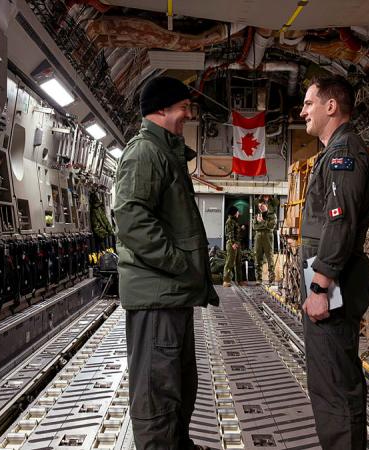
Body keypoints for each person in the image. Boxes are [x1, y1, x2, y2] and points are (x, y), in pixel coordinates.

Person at [113, 76, 219, 450]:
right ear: (161, 110)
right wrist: (179, 264)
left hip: (171, 295)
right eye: (183, 108)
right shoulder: (145, 153)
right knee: (157, 396)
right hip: (159, 294)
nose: (188, 115)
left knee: (177, 387)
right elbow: (130, 218)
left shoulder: (164, 152)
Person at [298, 75, 369, 449]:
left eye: (309, 104)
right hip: (330, 283)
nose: (303, 112)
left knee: (336, 387)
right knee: (328, 383)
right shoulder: (334, 152)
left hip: (334, 288)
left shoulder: (345, 154)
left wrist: (319, 286)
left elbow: (339, 222)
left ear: (331, 106)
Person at [252, 199, 277, 284]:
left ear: (266, 205)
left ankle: (271, 278)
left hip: (268, 236)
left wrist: (262, 222)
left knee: (270, 257)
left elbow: (271, 226)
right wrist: (265, 225)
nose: (260, 208)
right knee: (257, 258)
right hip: (258, 237)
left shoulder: (272, 215)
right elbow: (255, 227)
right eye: (259, 206)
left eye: (262, 206)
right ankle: (258, 279)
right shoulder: (257, 216)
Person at [222, 206, 240, 287]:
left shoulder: (234, 221)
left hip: (236, 243)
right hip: (231, 244)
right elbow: (230, 233)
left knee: (238, 262)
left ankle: (238, 280)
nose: (238, 213)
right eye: (237, 212)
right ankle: (226, 280)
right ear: (234, 212)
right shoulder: (230, 221)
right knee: (230, 262)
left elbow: (235, 231)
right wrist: (233, 243)